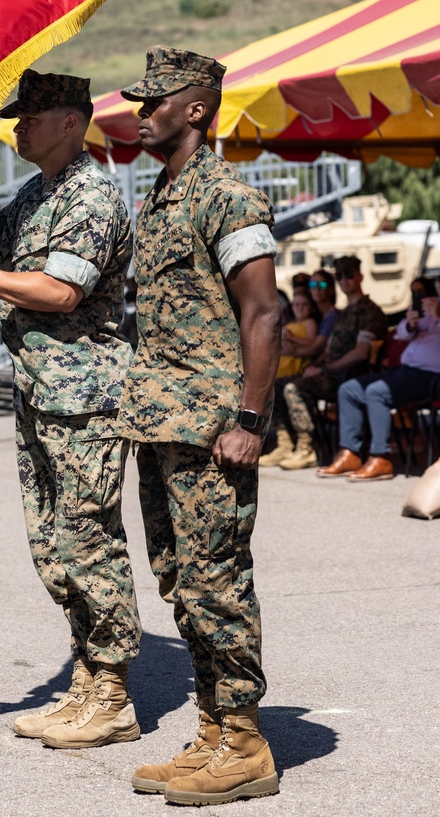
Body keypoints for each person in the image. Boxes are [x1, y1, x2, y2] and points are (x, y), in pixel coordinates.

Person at [0, 69, 142, 750]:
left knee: (88, 538)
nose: (17, 126)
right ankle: (85, 680)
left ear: (70, 122)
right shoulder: (36, 193)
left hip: (83, 398)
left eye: (31, 116)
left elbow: (59, 291)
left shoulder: (90, 196)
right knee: (53, 545)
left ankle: (111, 692)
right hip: (40, 390)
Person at [117, 47, 282, 806]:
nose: (140, 112)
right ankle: (214, 728)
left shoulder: (227, 196)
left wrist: (250, 416)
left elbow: (263, 312)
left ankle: (245, 741)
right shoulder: (159, 195)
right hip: (162, 425)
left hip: (215, 427)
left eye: (155, 101)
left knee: (218, 582)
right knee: (182, 583)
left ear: (195, 108)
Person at [326, 259, 440, 482]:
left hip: (437, 377)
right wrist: (410, 324)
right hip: (407, 369)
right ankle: (350, 453)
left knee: (376, 392)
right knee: (349, 389)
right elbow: (401, 334)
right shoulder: (429, 303)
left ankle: (380, 457)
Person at [282, 254, 388, 473]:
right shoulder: (343, 313)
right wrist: (316, 366)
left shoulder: (369, 311)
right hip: (331, 372)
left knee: (293, 389)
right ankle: (286, 443)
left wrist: (325, 368)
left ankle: (307, 448)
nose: (344, 280)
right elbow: (328, 349)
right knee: (279, 385)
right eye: (340, 276)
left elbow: (360, 353)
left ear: (360, 277)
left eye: (349, 275)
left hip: (351, 375)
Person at [261, 281, 321, 467]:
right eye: (296, 304)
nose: (300, 308)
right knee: (273, 390)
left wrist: (292, 340)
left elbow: (312, 345)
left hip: (298, 367)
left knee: (288, 388)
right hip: (284, 366)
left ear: (311, 307)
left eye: (304, 305)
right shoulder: (292, 323)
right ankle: (284, 442)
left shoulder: (310, 323)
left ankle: (305, 447)